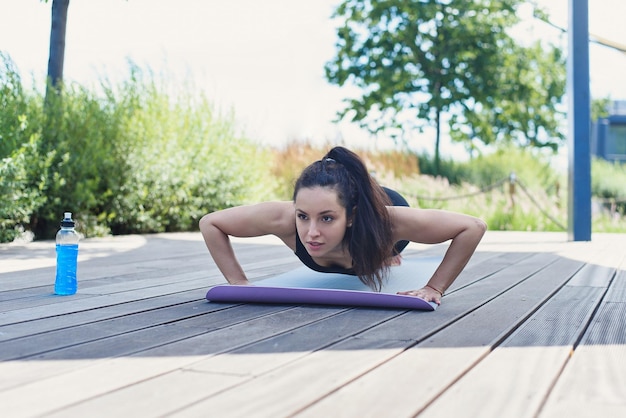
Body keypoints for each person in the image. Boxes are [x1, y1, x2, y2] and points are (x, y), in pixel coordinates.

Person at [199, 146, 487, 305]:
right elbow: (211, 223)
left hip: (380, 218)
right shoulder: (281, 219)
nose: (311, 232)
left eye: (326, 218)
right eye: (302, 216)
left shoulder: (390, 222)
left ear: (350, 216)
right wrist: (238, 282)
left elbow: (472, 227)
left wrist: (434, 287)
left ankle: (386, 251)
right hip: (351, 210)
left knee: (385, 251)